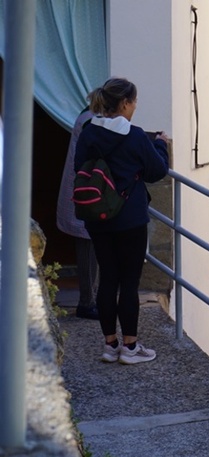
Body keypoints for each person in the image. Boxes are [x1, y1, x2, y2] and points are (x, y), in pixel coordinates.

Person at [74, 77, 170, 364]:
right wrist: (161, 145)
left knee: (108, 279)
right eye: (134, 102)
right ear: (125, 103)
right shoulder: (136, 135)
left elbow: (80, 167)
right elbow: (157, 171)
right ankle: (130, 348)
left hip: (98, 216)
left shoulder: (89, 131)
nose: (135, 107)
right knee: (129, 283)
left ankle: (110, 345)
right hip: (130, 218)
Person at [56, 108, 100, 320]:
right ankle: (87, 303)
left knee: (90, 251)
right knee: (87, 252)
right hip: (85, 195)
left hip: (84, 194)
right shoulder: (91, 122)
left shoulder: (88, 117)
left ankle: (90, 300)